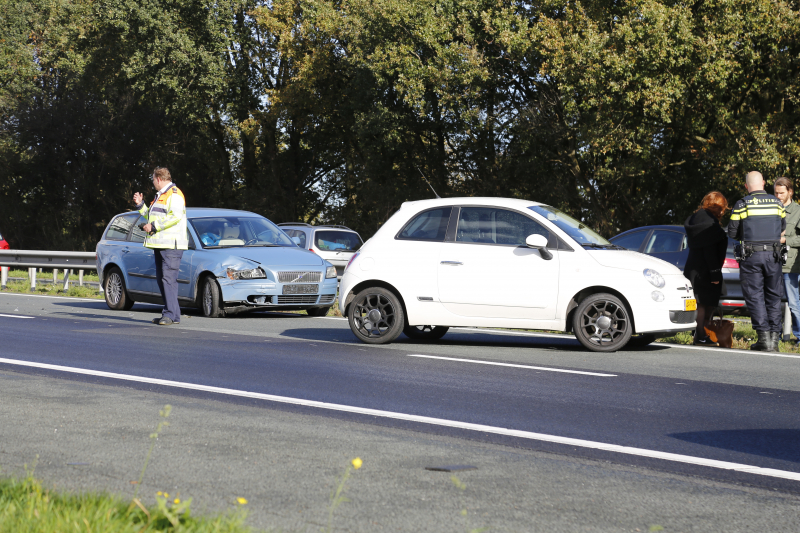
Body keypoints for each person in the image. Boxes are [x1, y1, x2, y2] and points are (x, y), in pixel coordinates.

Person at [727, 171, 786, 351]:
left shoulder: (742, 204)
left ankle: (764, 339)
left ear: (746, 186)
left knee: (755, 296)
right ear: (764, 183)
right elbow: (782, 228)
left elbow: (732, 232)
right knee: (774, 296)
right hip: (774, 256)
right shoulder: (777, 203)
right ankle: (774, 341)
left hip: (751, 256)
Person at [132, 167, 188, 326]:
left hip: (171, 245)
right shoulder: (161, 195)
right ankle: (174, 314)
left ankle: (169, 314)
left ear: (158, 178)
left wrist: (154, 226)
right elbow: (151, 215)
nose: (152, 183)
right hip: (161, 244)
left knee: (168, 279)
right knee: (163, 280)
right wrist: (141, 205)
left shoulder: (174, 194)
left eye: (153, 180)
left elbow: (175, 217)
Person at [684, 192, 729, 346]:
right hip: (707, 269)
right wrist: (715, 273)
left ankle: (699, 334)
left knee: (698, 301)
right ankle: (701, 336)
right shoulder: (711, 226)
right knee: (704, 302)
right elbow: (710, 252)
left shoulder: (695, 219)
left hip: (692, 267)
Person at [775, 177, 800, 343]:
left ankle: (799, 336)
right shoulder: (771, 209)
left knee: (794, 303)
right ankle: (774, 336)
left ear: (790, 192)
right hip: (772, 263)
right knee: (772, 302)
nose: (778, 196)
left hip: (790, 265)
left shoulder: (798, 211)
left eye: (781, 193)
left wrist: (786, 239)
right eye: (775, 192)